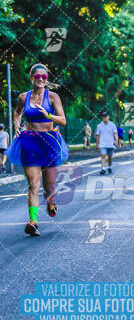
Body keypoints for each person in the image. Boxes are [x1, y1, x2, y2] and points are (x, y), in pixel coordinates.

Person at [6, 64, 68, 236]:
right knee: (33, 184)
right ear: (31, 77)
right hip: (29, 141)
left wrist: (48, 115)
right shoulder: (23, 97)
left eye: (44, 77)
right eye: (37, 76)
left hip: (49, 142)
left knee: (49, 186)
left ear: (46, 79)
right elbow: (17, 113)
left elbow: (63, 121)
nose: (40, 79)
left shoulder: (53, 97)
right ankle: (33, 221)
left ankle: (51, 201)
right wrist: (17, 125)